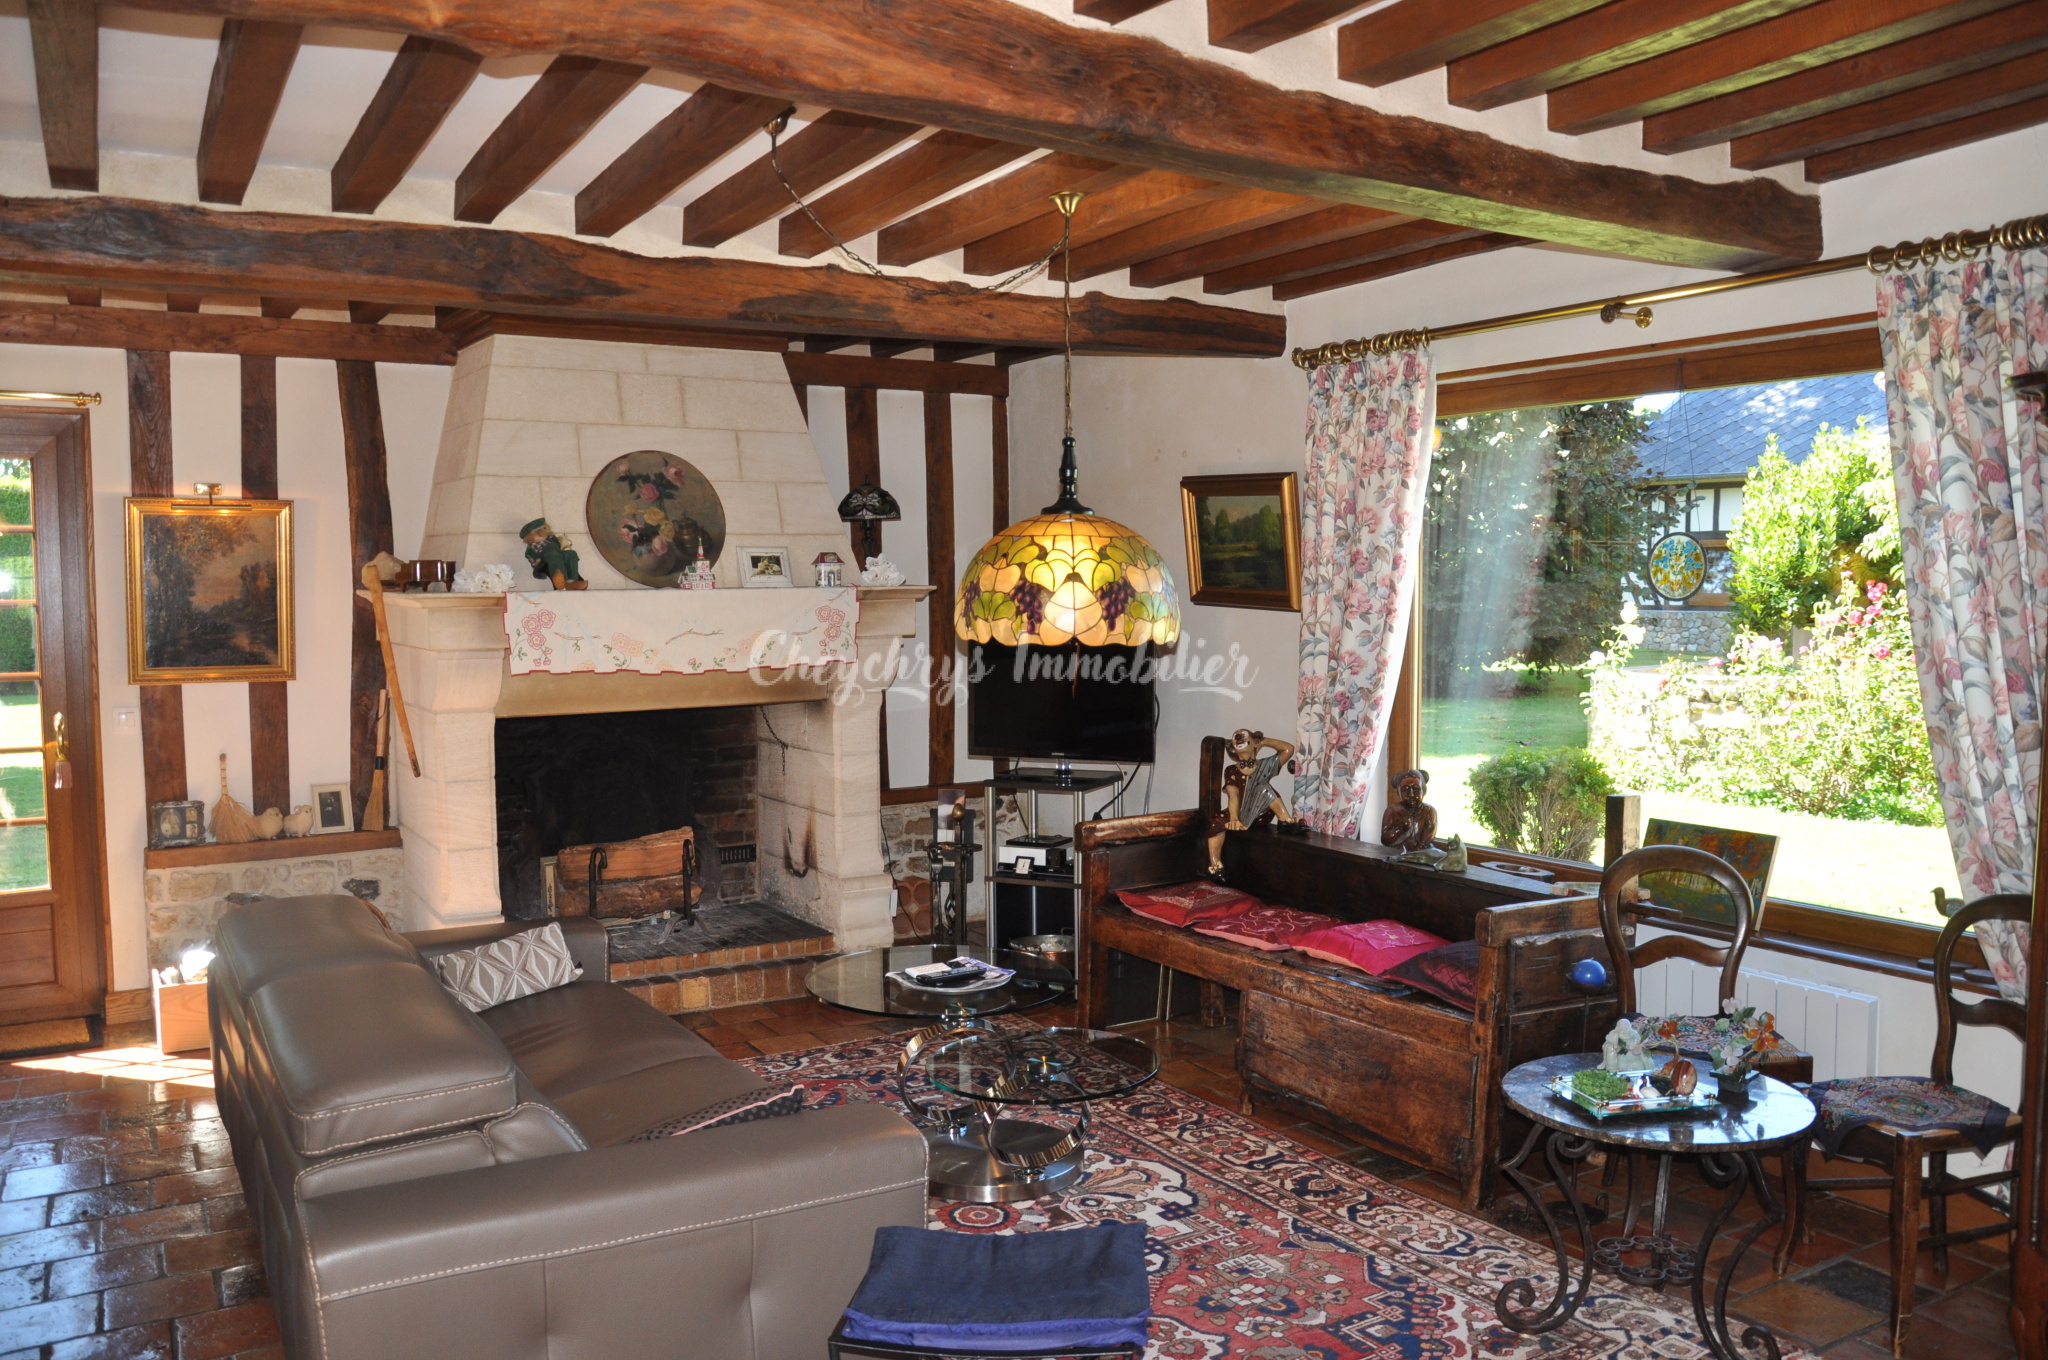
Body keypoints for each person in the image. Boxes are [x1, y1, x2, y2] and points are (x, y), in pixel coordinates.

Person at [1207, 729, 1299, 877]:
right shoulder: (1231, 770)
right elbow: (1233, 795)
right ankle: (1215, 865)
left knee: (1263, 788)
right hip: (1239, 813)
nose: (1238, 738)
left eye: (1243, 736)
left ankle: (1285, 821)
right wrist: (1234, 818)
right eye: (1236, 738)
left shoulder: (1265, 765)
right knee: (1216, 821)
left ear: (1255, 743)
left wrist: (1263, 741)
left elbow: (1288, 749)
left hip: (1260, 814)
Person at [1381, 768, 1438, 853]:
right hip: (1398, 852)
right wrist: (1401, 828)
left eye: (1416, 789)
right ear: (1398, 793)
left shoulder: (1429, 811)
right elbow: (1385, 840)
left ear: (1424, 791)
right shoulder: (1392, 811)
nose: (1411, 794)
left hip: (1421, 852)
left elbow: (1429, 834)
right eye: (1405, 790)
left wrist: (1419, 848)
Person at [521, 518, 588, 590]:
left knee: (571, 553)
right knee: (553, 555)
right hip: (544, 561)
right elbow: (532, 560)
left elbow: (561, 548)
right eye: (538, 535)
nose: (542, 535)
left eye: (544, 533)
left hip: (558, 555)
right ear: (530, 538)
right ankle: (559, 578)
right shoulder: (532, 547)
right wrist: (537, 562)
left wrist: (563, 544)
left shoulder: (553, 539)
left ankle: (572, 581)